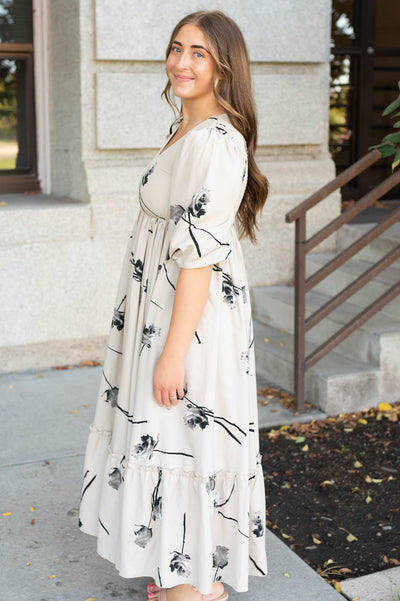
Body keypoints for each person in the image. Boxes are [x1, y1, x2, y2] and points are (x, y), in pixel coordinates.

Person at [78, 9, 269, 601]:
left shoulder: (215, 141)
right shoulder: (185, 128)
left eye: (199, 54)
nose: (182, 62)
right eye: (177, 48)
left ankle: (194, 586)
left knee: (178, 437)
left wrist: (173, 353)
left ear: (223, 67)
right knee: (162, 437)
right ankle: (185, 576)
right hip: (160, 310)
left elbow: (197, 260)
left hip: (189, 322)